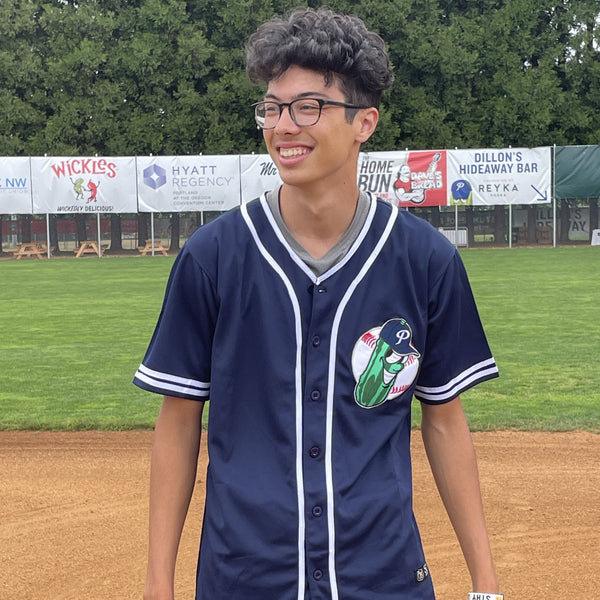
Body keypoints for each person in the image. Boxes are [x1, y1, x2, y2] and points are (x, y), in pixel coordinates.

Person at [134, 8, 502, 600]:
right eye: (272, 107)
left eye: (309, 107)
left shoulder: (426, 260)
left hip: (382, 575)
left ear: (366, 123)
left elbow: (444, 418)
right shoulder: (213, 257)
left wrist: (485, 583)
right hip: (244, 576)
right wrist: (158, 584)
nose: (284, 125)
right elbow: (178, 423)